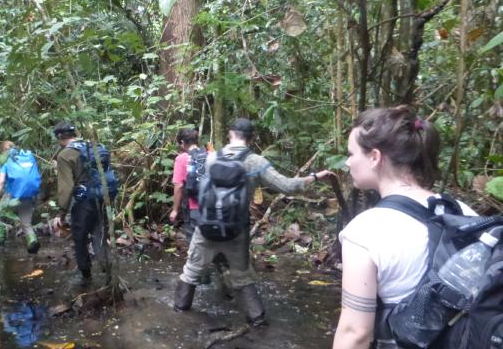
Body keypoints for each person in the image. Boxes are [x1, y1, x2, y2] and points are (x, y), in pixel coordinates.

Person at [332, 106, 476, 349]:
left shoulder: (366, 231)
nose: (348, 162)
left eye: (351, 153)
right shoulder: (464, 212)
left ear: (374, 157)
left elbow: (355, 334)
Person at [173, 118, 333, 326]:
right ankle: (258, 321)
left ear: (230, 134)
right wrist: (315, 176)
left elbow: (195, 187)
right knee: (243, 277)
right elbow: (287, 186)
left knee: (191, 272)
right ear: (251, 138)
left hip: (205, 227)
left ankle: (179, 315)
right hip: (236, 231)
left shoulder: (210, 158)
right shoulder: (256, 162)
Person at [51, 121, 108, 283]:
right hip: (103, 197)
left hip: (84, 202)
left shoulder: (65, 155)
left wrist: (61, 213)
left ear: (60, 137)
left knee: (80, 237)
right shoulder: (93, 146)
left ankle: (86, 276)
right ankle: (108, 272)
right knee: (99, 235)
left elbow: (66, 187)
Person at [0, 140, 41, 254]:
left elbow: (1, 181)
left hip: (12, 195)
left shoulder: (5, 159)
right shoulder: (28, 155)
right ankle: (32, 244)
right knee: (26, 223)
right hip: (28, 195)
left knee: (0, 217)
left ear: (3, 150)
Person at [170, 128, 205, 240]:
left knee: (193, 242)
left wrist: (175, 210)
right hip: (213, 207)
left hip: (194, 208)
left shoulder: (181, 159)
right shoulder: (210, 154)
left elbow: (179, 186)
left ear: (182, 142)